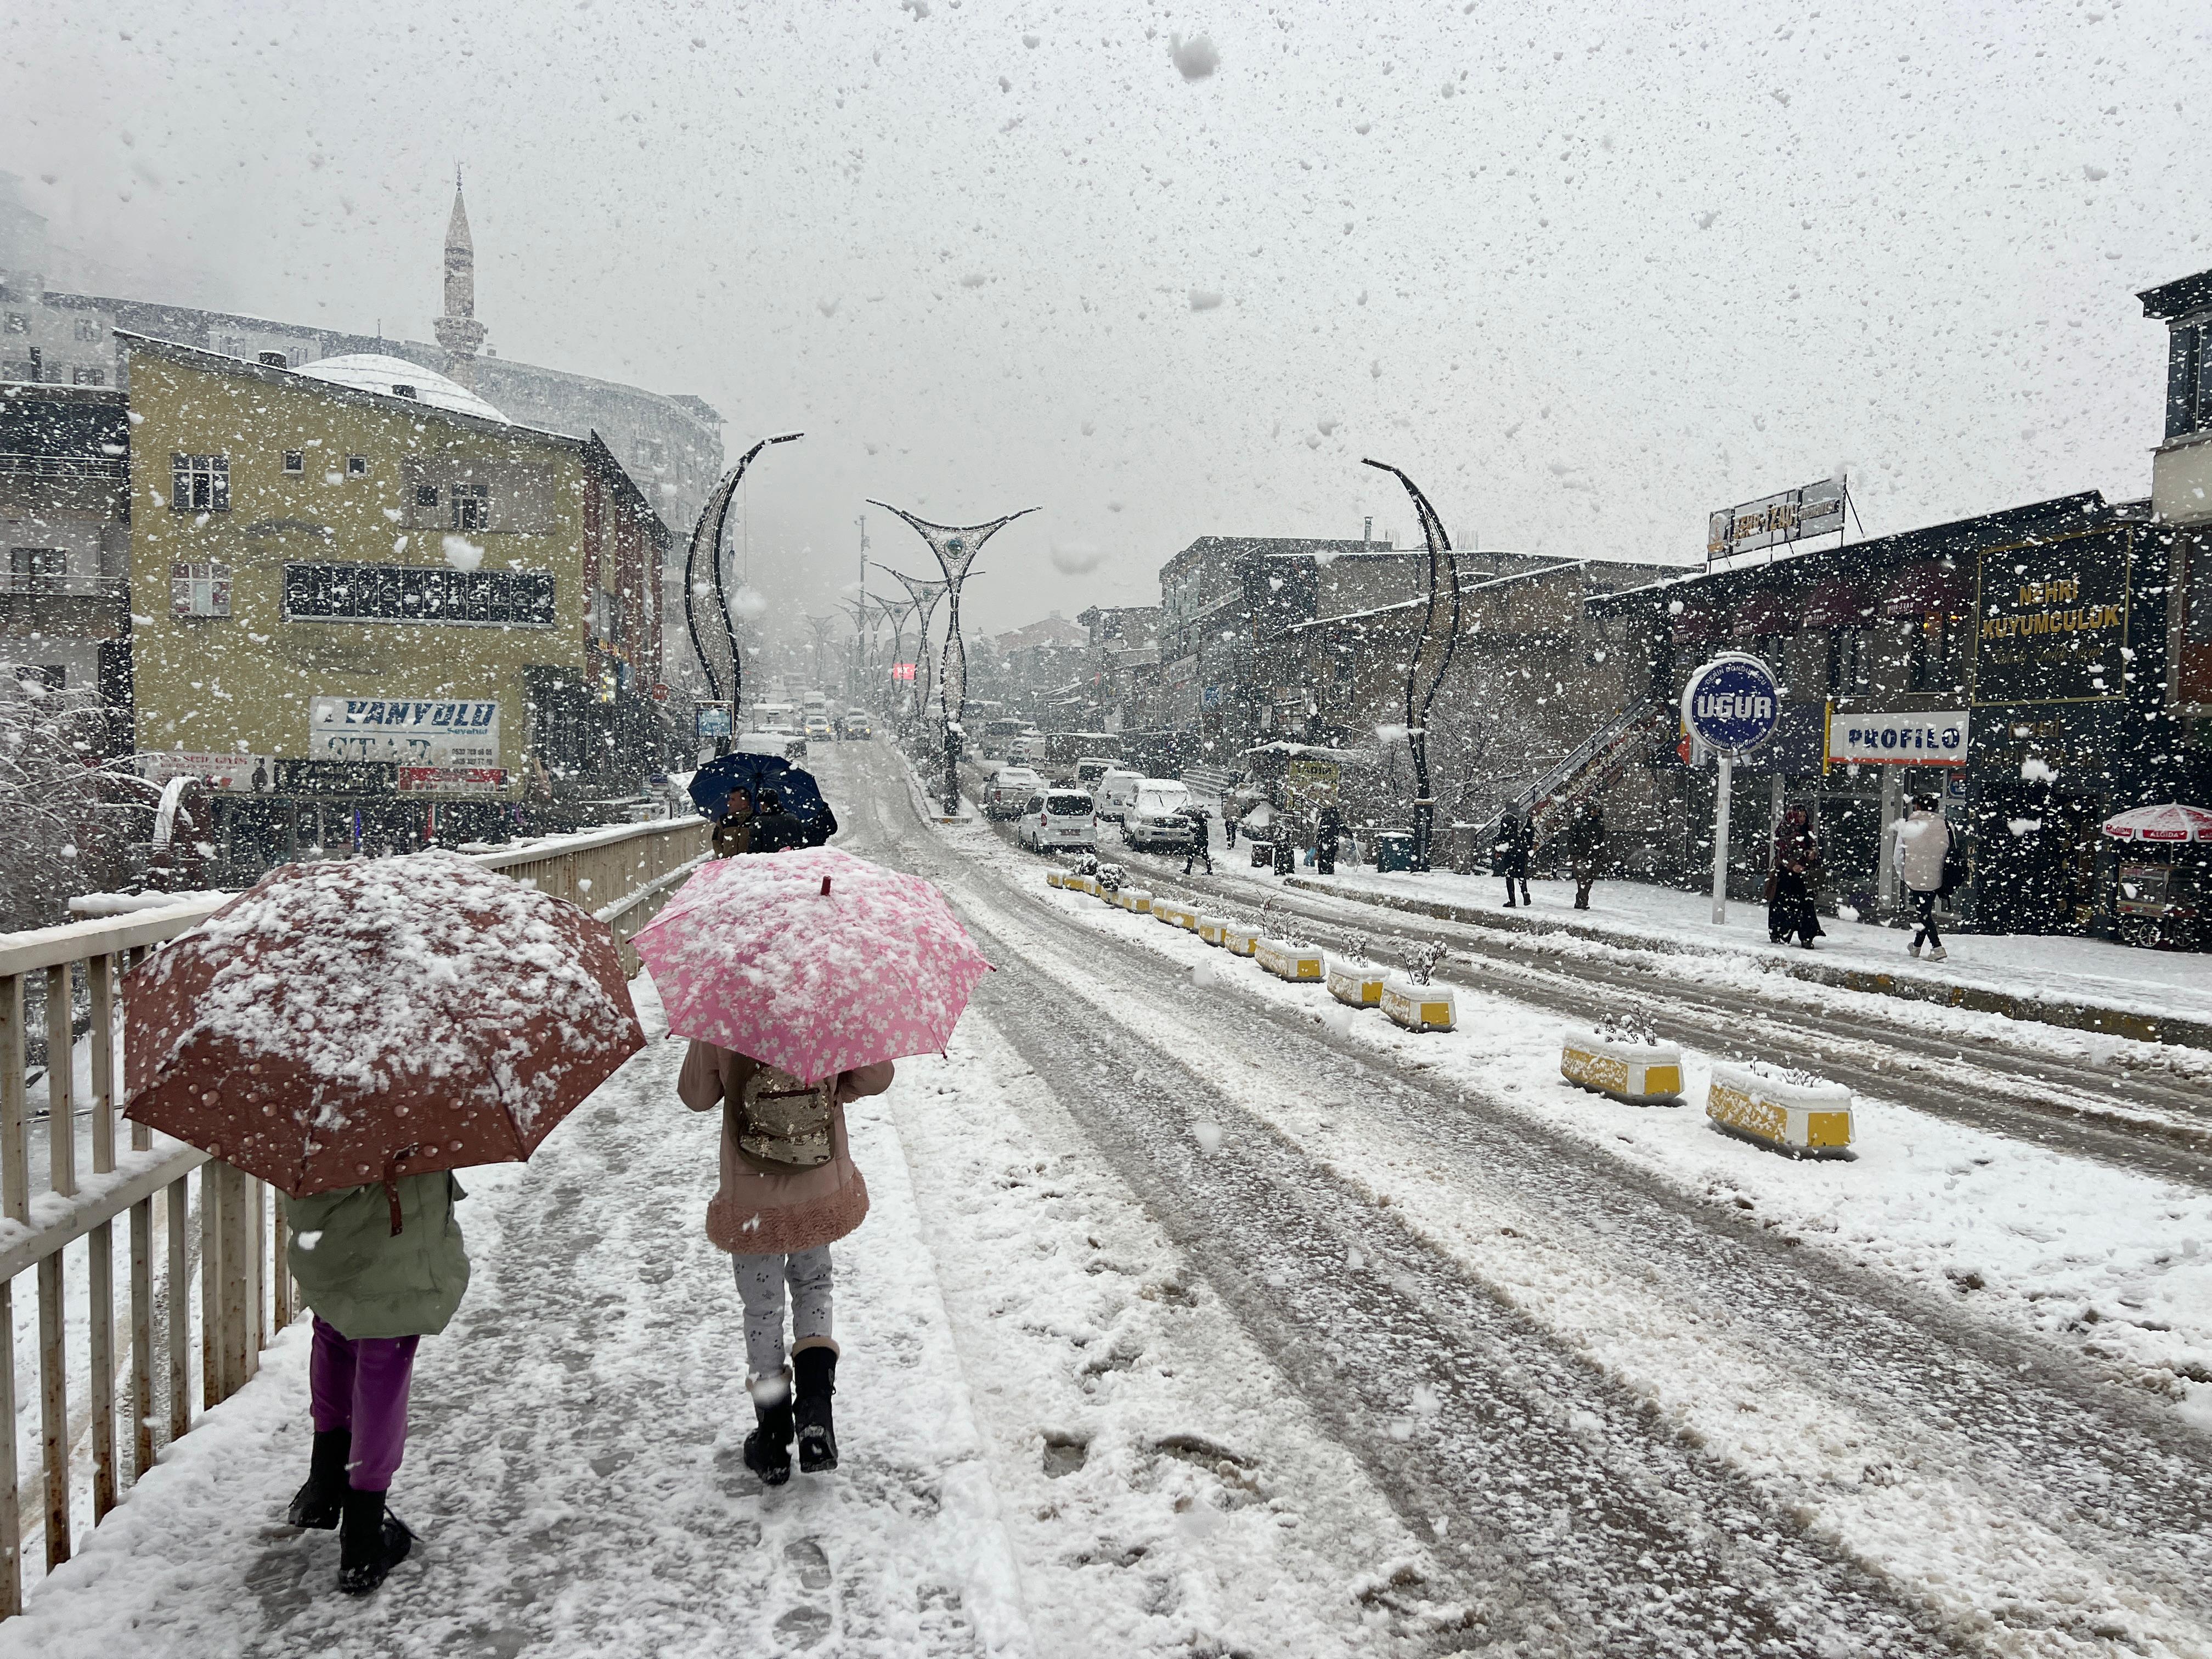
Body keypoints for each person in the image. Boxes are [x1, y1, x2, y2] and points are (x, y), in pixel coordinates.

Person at [678, 1042, 896, 1483]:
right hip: (816, 1188)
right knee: (813, 1286)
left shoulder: (721, 1015)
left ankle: (773, 1439)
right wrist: (832, 1092)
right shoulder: (824, 1005)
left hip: (751, 1198)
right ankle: (816, 1418)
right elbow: (877, 1076)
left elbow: (695, 1097)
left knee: (762, 1309)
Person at [283, 1171, 470, 1594]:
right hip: (393, 1234)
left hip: (327, 1233)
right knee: (384, 1362)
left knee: (334, 1330)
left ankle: (323, 1486)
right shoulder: (410, 1107)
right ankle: (363, 1540)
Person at [1892, 793, 1953, 961]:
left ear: (1918, 807)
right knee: (1924, 911)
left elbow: (1898, 855)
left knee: (1923, 914)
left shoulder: (1908, 826)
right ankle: (1916, 947)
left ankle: (1937, 947)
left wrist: (1903, 874)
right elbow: (1949, 850)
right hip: (1937, 877)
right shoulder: (1946, 825)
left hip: (1915, 876)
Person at [1768, 806, 1825, 948]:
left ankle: (1806, 936)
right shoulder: (1783, 831)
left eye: (1804, 816)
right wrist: (1792, 865)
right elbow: (1781, 852)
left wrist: (1812, 854)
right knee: (1783, 904)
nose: (1802, 819)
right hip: (1786, 876)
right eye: (1799, 816)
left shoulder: (1807, 831)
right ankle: (1779, 932)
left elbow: (1813, 847)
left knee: (1806, 905)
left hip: (1803, 875)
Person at [1564, 800, 1606, 910]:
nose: (1595, 813)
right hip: (1580, 855)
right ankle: (1583, 901)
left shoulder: (1599, 824)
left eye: (1597, 811)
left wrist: (1599, 852)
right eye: (1593, 810)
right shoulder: (1578, 821)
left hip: (1593, 856)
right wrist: (1574, 852)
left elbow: (1601, 840)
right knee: (1583, 879)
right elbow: (1571, 837)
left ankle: (1581, 900)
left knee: (1590, 880)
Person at [748, 788, 809, 853]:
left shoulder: (759, 822)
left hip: (768, 861)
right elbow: (802, 843)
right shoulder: (793, 818)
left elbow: (754, 850)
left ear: (763, 805)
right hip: (792, 861)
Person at [1494, 808, 1533, 907]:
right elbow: (1530, 834)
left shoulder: (1507, 819)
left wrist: (1498, 848)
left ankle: (1512, 900)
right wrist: (1529, 848)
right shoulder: (1526, 818)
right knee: (1521, 873)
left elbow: (1503, 835)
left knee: (1509, 875)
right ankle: (1525, 892)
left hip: (1511, 849)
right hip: (1522, 849)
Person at [712, 787, 754, 858]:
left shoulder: (755, 820)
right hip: (727, 866)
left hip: (748, 866)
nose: (729, 803)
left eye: (733, 800)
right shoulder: (723, 820)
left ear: (744, 803)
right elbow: (716, 840)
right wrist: (722, 856)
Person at [1181, 802, 1214, 875]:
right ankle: (1209, 870)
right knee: (1204, 855)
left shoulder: (1197, 819)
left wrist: (1191, 827)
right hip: (1204, 840)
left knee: (1192, 854)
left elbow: (1195, 830)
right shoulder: (1204, 819)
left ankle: (1188, 869)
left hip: (1199, 840)